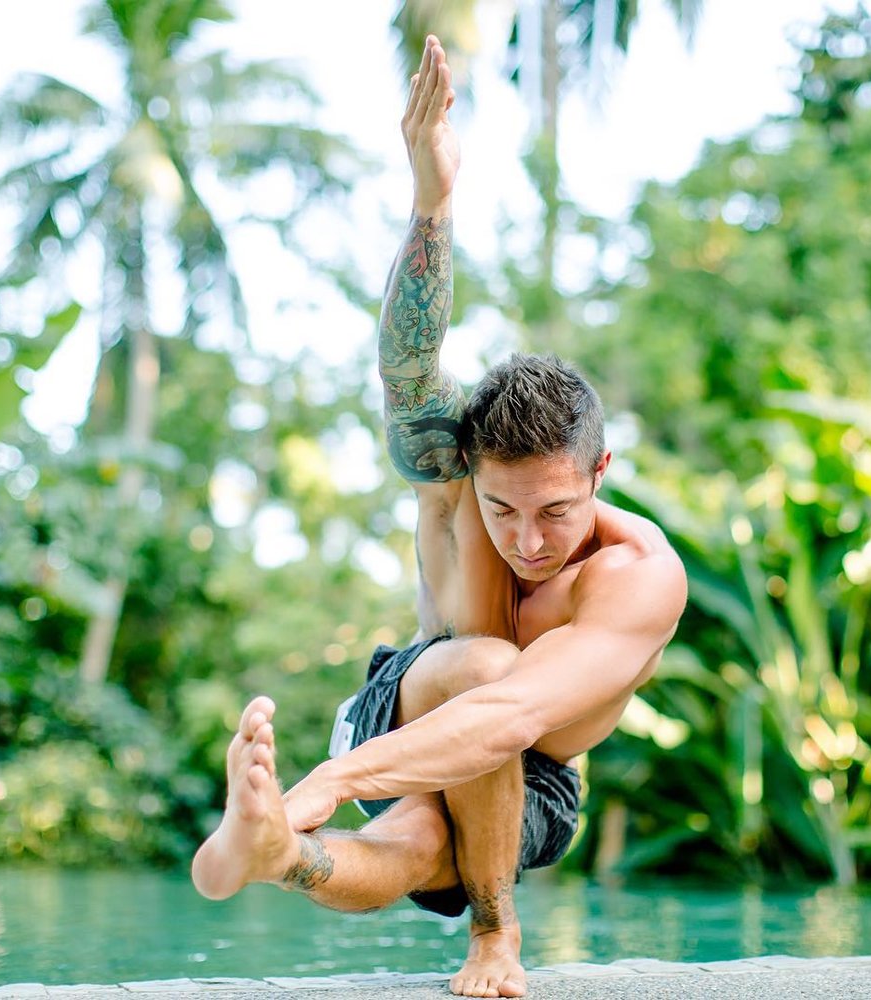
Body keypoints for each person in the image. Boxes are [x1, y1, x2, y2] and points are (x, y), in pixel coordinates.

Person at [191, 34, 687, 1000]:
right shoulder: (455, 475)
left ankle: (274, 852)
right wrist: (433, 201)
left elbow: (516, 719)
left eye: (555, 510)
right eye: (502, 507)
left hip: (537, 777)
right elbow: (409, 369)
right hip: (410, 695)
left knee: (418, 846)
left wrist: (324, 794)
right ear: (471, 473)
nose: (525, 539)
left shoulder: (640, 576)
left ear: (602, 475)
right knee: (484, 665)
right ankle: (496, 940)